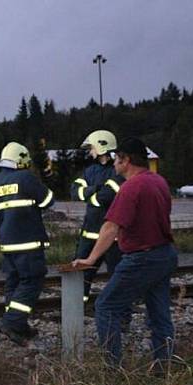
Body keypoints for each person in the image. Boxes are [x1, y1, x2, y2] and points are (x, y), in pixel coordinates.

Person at [73, 137, 178, 368]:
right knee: (159, 315)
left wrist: (90, 258)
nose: (113, 164)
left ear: (126, 160)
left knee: (106, 306)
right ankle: (164, 367)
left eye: (117, 159)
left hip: (142, 258)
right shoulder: (158, 181)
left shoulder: (131, 186)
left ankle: (112, 369)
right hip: (164, 253)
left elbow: (111, 227)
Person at [0, 142, 55, 344]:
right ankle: (13, 321)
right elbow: (48, 200)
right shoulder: (25, 177)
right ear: (21, 160)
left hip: (7, 242)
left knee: (13, 282)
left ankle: (19, 325)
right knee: (32, 280)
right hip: (28, 240)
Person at [71, 130, 125, 301]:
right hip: (89, 235)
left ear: (102, 147)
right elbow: (74, 192)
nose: (90, 151)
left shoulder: (118, 170)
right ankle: (78, 306)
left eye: (92, 147)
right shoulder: (90, 170)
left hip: (113, 237)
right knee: (80, 274)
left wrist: (89, 195)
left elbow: (107, 197)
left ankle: (121, 314)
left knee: (117, 276)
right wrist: (95, 189)